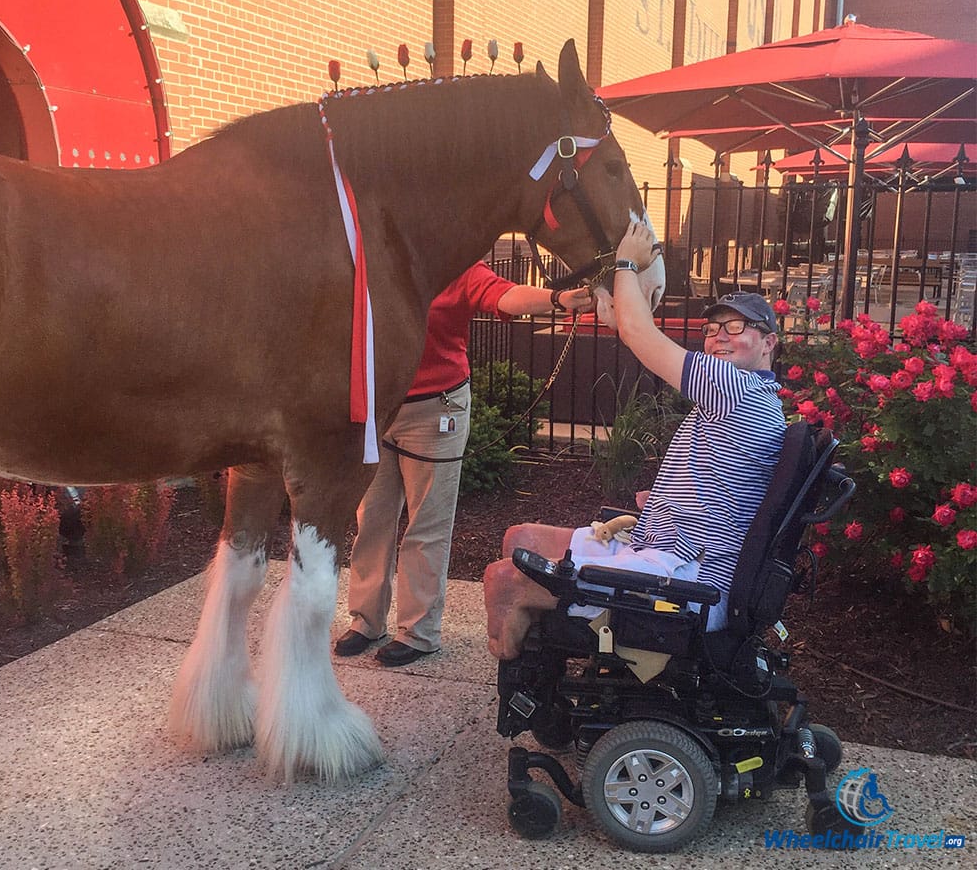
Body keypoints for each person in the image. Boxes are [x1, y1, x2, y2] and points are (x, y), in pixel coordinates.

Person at [484, 221, 786, 660]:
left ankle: (534, 693)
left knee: (503, 581)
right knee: (521, 538)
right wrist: (665, 501)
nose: (719, 335)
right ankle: (551, 656)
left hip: (683, 578)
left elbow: (637, 333)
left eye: (737, 326)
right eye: (712, 328)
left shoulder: (733, 386)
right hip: (670, 548)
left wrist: (625, 263)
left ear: (769, 343)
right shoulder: (753, 398)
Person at [335, 261, 597, 666]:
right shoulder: (376, 256)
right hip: (376, 408)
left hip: (436, 410)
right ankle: (366, 621)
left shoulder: (457, 264)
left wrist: (557, 299)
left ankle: (418, 632)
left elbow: (505, 296)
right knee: (371, 518)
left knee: (427, 523)